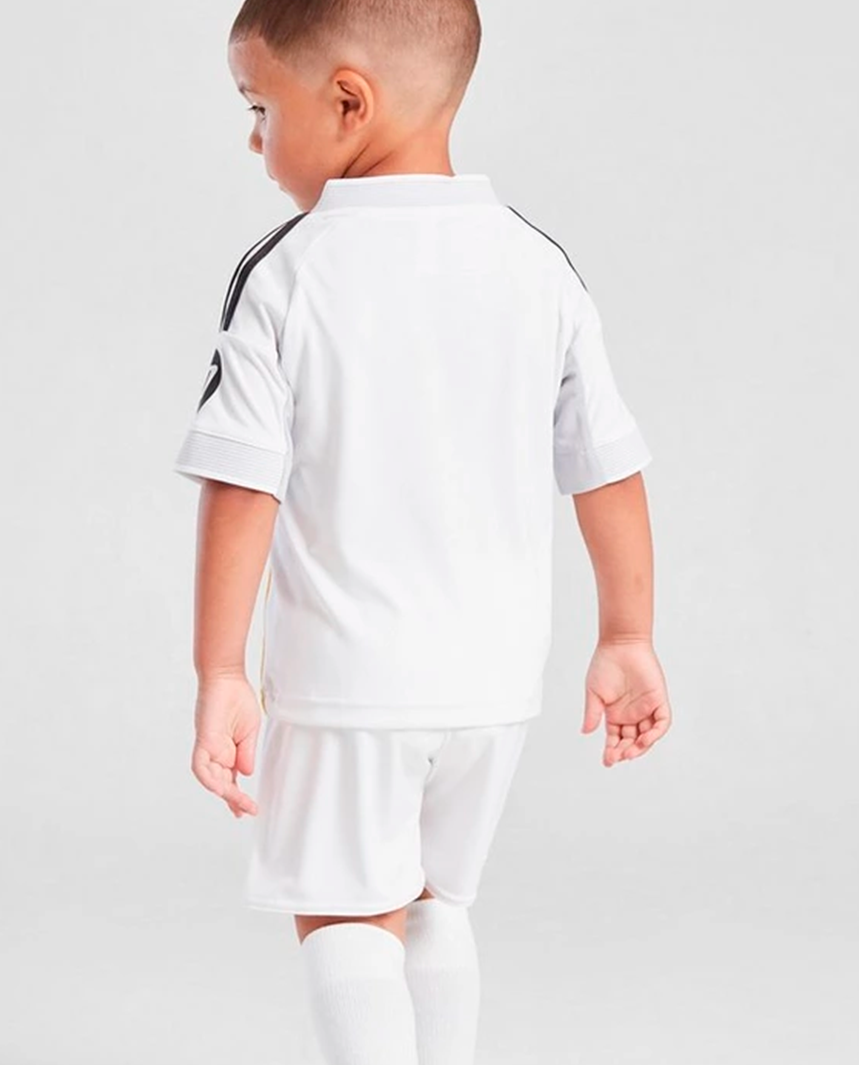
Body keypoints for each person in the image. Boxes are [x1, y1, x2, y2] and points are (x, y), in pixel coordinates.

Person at [173, 2, 674, 1062]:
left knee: (347, 915)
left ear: (347, 101)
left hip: (349, 679)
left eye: (260, 108)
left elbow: (242, 482)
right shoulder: (537, 263)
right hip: (493, 685)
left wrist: (220, 669)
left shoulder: (291, 270)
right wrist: (627, 635)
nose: (253, 140)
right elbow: (605, 463)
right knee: (435, 901)